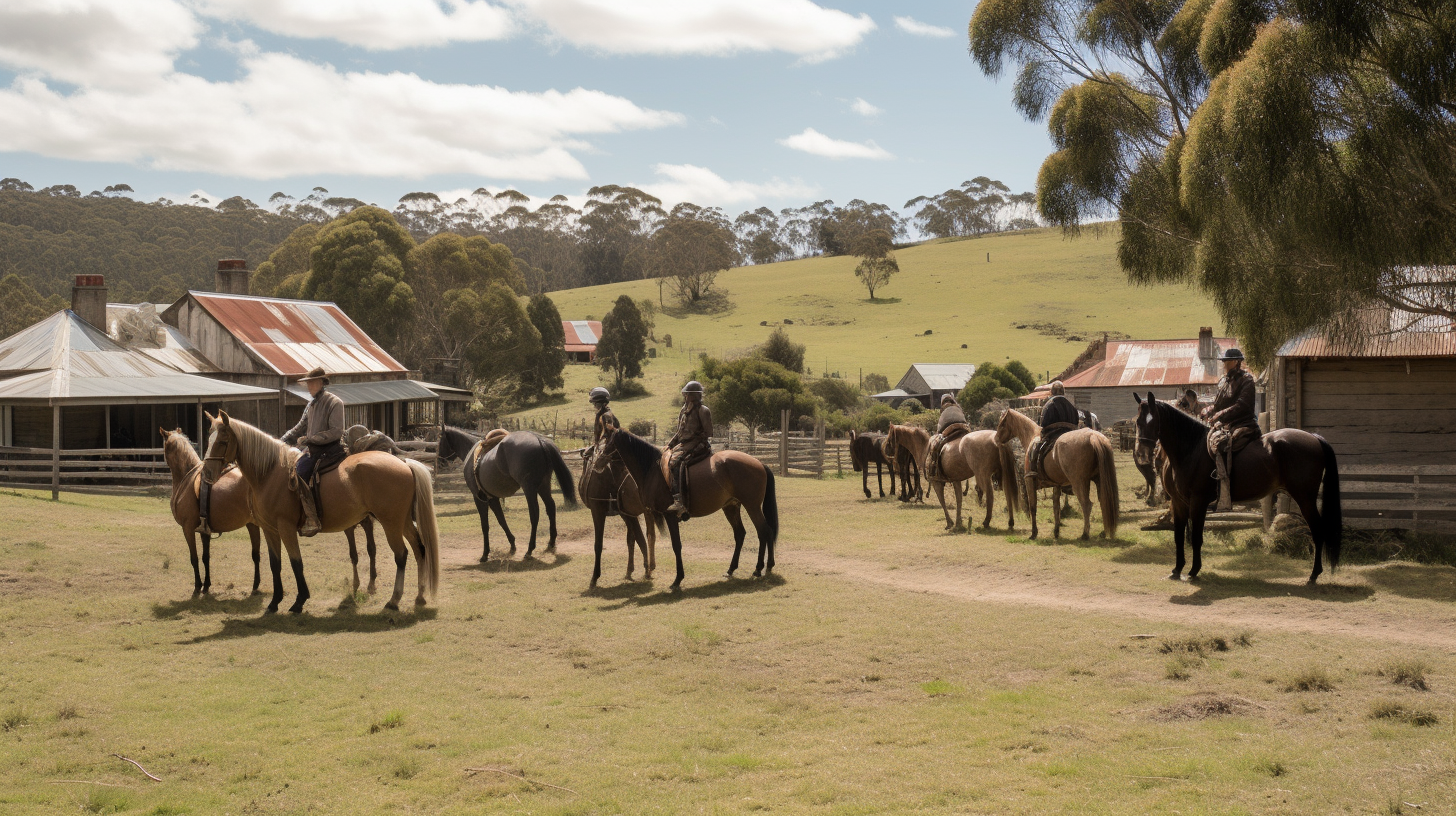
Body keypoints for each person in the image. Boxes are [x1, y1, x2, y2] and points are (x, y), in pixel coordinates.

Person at [280, 367, 344, 537]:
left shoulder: (334, 402)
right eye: (307, 383)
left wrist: (311, 439)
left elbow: (336, 431)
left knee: (300, 473)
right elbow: (300, 426)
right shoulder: (311, 404)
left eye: (312, 383)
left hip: (329, 450)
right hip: (312, 449)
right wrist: (283, 439)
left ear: (322, 383)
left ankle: (312, 519)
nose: (309, 386)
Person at [1202, 348, 1259, 512]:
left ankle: (1225, 496)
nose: (1224, 364)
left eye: (1227, 361)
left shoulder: (1247, 380)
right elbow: (1219, 405)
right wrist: (1209, 410)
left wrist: (1219, 414)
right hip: (1225, 424)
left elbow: (1243, 405)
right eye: (1224, 361)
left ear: (1235, 362)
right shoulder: (1223, 381)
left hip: (1243, 424)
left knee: (1221, 445)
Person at [665, 380, 713, 519]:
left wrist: (693, 441)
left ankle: (679, 501)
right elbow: (679, 432)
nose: (685, 397)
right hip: (684, 444)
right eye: (685, 394)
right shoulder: (684, 410)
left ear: (695, 395)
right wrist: (670, 444)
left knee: (675, 463)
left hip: (699, 444)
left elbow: (708, 433)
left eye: (687, 394)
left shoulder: (703, 411)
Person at [1029, 381, 1078, 483]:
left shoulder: (1049, 405)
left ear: (1052, 392)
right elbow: (1076, 421)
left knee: (1036, 447)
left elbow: (1043, 424)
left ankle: (1033, 471)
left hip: (1053, 435)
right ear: (1063, 392)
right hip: (1070, 433)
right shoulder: (1071, 406)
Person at [927, 394, 969, 480]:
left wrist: (938, 432)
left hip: (948, 429)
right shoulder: (957, 407)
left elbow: (941, 424)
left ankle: (934, 467)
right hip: (963, 427)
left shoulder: (943, 409)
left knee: (935, 447)